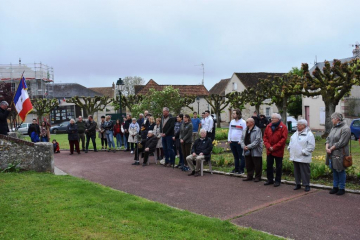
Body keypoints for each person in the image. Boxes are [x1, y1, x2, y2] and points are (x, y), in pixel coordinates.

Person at [326, 112, 351, 196]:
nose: (331, 120)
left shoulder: (345, 128)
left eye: (332, 118)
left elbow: (342, 142)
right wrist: (327, 146)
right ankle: (335, 187)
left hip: (340, 153)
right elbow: (328, 138)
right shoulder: (334, 128)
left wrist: (331, 148)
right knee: (334, 170)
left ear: (337, 119)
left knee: (340, 170)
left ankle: (342, 188)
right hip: (331, 153)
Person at [288, 119, 315, 192]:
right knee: (296, 171)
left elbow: (311, 146)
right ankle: (298, 183)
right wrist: (289, 148)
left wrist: (304, 152)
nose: (297, 126)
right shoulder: (295, 133)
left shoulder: (309, 134)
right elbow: (291, 142)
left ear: (303, 126)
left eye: (299, 124)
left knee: (305, 171)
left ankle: (306, 184)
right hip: (295, 155)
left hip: (303, 156)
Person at [263, 113, 288, 187]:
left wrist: (274, 147)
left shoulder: (283, 127)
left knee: (278, 166)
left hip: (278, 150)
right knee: (269, 165)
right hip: (269, 150)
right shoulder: (268, 126)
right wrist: (268, 146)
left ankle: (277, 180)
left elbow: (283, 139)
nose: (271, 119)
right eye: (271, 118)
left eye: (273, 118)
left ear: (278, 119)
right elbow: (265, 137)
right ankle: (270, 179)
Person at [228, 109, 247, 174]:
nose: (233, 115)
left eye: (234, 113)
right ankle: (236, 169)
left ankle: (241, 170)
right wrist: (229, 139)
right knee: (235, 156)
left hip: (239, 142)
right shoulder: (232, 122)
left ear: (238, 114)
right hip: (232, 141)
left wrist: (240, 141)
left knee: (241, 156)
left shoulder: (243, 122)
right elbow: (230, 130)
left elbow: (244, 132)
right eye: (232, 113)